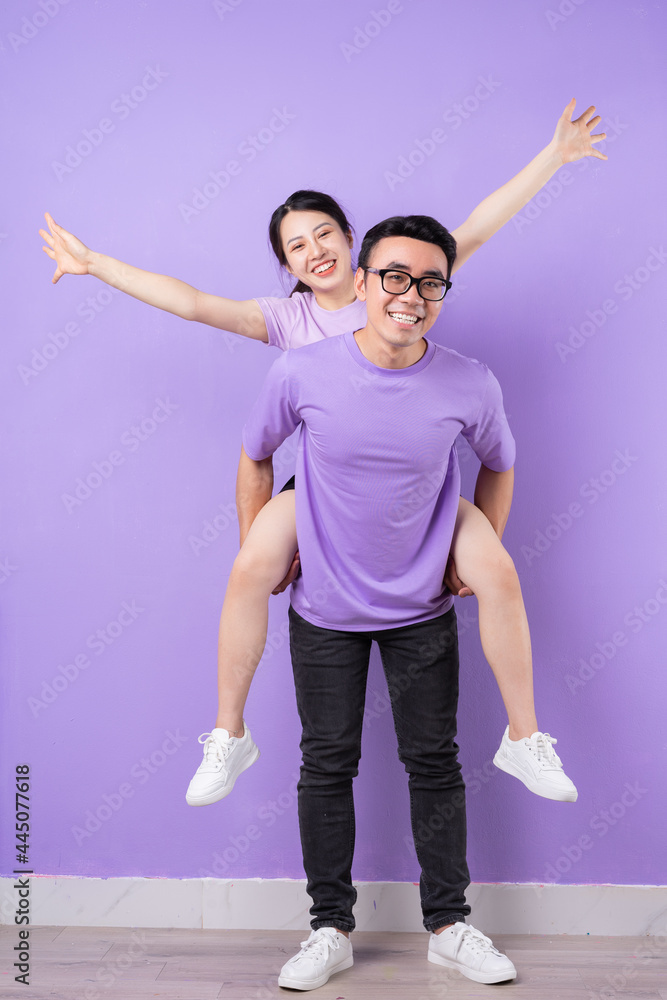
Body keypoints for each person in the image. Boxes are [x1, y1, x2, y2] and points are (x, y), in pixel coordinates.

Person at [39, 101, 605, 807]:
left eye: (323, 232)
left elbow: (480, 226)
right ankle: (227, 733)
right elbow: (188, 303)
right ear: (289, 269)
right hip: (323, 490)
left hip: (419, 491)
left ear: (353, 243)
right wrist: (94, 264)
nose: (314, 250)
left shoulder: (404, 280)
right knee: (249, 566)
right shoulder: (288, 320)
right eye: (296, 247)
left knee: (498, 567)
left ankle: (523, 737)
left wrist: (553, 156)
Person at [241, 213, 521, 988]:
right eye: (394, 276)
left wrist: (476, 555)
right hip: (323, 608)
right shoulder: (300, 372)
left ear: (442, 294)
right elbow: (256, 453)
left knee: (434, 762)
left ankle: (449, 924)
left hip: (421, 612)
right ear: (360, 284)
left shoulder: (469, 381)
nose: (412, 293)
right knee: (326, 762)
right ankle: (328, 928)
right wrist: (264, 545)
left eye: (431, 281)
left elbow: (498, 464)